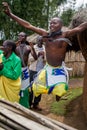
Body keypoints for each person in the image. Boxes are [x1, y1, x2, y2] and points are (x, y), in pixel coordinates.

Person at [2, 2, 87, 106]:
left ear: (61, 25)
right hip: (47, 68)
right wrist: (11, 15)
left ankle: (58, 94)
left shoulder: (66, 34)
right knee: (35, 88)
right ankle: (37, 100)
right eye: (50, 23)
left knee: (61, 91)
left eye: (54, 23)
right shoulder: (45, 34)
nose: (51, 24)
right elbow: (28, 25)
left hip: (59, 68)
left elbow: (80, 28)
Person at [15, 32, 37, 108]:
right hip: (16, 69)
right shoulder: (16, 47)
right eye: (19, 35)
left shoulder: (29, 47)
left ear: (25, 37)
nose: (20, 37)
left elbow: (35, 58)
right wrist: (14, 44)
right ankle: (16, 102)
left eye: (22, 36)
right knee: (17, 86)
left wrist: (33, 48)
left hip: (25, 70)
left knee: (25, 87)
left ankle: (24, 104)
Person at [29, 35, 45, 110]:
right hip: (33, 70)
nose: (40, 41)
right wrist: (37, 55)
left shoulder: (45, 48)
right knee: (31, 87)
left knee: (39, 87)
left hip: (41, 71)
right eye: (38, 40)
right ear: (36, 40)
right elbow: (30, 59)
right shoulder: (33, 48)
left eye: (41, 40)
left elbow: (47, 60)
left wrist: (44, 57)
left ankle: (36, 103)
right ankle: (29, 103)